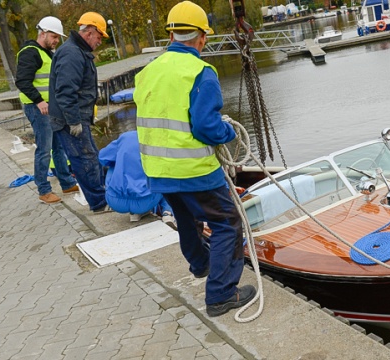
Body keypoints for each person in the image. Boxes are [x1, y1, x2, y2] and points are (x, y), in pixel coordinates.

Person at [133, 1, 255, 317]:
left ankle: (200, 264)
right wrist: (229, 134)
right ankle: (221, 295)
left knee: (186, 218)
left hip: (158, 169)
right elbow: (205, 127)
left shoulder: (148, 72)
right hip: (193, 169)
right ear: (201, 37)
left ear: (172, 34)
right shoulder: (201, 72)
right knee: (227, 222)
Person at [48, 12, 110, 213]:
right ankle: (99, 203)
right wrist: (74, 121)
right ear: (90, 32)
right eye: (99, 37)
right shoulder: (72, 53)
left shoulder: (77, 51)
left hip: (76, 117)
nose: (100, 42)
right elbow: (66, 91)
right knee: (84, 160)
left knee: (91, 157)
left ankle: (102, 196)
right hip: (70, 121)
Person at [15, 16, 79, 204]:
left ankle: (66, 182)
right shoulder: (30, 52)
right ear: (43, 33)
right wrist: (39, 101)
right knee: (44, 149)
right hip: (38, 108)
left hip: (50, 108)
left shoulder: (46, 53)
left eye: (58, 37)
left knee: (58, 147)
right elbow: (22, 81)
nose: (56, 41)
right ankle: (44, 190)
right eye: (54, 36)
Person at [98, 130, 177, 229]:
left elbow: (102, 158)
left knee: (113, 164)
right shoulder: (159, 140)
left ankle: (135, 212)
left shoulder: (125, 137)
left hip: (115, 201)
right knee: (166, 175)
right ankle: (168, 213)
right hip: (146, 201)